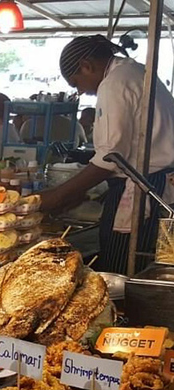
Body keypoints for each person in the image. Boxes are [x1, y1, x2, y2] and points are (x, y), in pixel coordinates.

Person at [40, 35, 174, 274]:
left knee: (122, 273)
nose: (81, 91)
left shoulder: (114, 82)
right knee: (145, 271)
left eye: (76, 83)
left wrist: (58, 196)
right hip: (156, 185)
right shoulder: (134, 71)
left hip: (145, 189)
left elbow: (110, 157)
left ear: (86, 66)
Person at [19, 113, 87, 146]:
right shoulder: (75, 125)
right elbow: (84, 144)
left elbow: (22, 143)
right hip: (67, 162)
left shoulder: (27, 124)